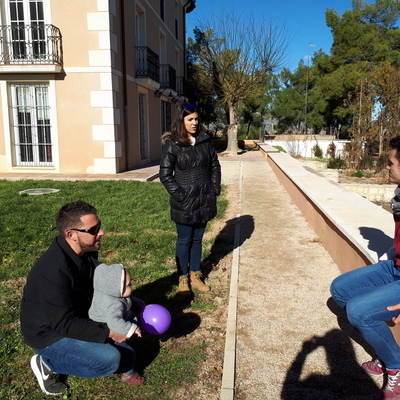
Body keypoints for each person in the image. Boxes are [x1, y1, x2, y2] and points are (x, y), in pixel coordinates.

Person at [20, 201, 144, 396]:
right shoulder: (52, 271)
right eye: (93, 229)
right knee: (109, 360)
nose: (101, 232)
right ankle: (48, 364)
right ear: (71, 234)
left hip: (76, 314)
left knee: (127, 348)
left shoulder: (85, 250)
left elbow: (99, 281)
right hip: (49, 333)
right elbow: (62, 324)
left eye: (99, 226)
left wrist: (127, 301)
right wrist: (109, 333)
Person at [330, 135, 400, 400]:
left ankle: (395, 365)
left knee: (358, 312)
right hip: (395, 266)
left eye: (391, 162)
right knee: (340, 290)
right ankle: (385, 348)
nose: (387, 167)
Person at [159, 103, 221, 293]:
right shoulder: (173, 144)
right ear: (181, 121)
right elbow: (165, 174)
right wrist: (181, 196)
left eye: (196, 119)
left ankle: (195, 275)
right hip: (184, 202)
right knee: (185, 240)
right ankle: (183, 279)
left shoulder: (204, 141)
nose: (194, 123)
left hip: (204, 199)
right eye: (190, 119)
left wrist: (214, 188)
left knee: (198, 239)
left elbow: (215, 166)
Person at [88, 263, 145, 384]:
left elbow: (125, 299)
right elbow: (114, 322)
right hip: (107, 330)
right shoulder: (113, 305)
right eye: (129, 284)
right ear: (116, 288)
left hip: (114, 320)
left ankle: (117, 368)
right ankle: (128, 374)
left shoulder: (110, 293)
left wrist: (134, 302)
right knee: (128, 353)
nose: (132, 286)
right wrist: (132, 328)